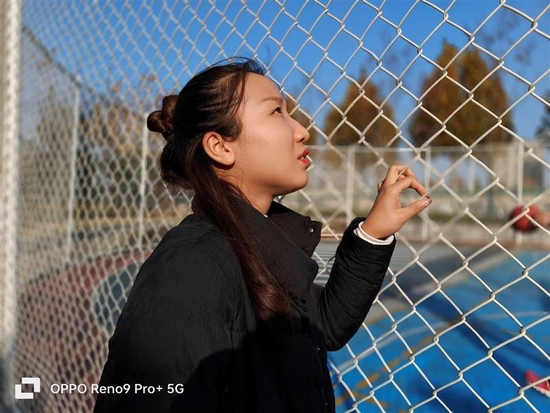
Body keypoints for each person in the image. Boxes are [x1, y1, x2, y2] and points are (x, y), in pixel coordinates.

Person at [94, 57, 432, 413]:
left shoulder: (256, 241)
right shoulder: (190, 267)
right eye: (276, 112)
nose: (301, 130)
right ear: (220, 147)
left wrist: (373, 232)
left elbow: (323, 325)